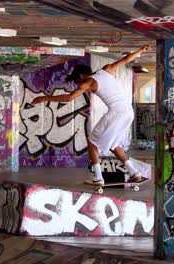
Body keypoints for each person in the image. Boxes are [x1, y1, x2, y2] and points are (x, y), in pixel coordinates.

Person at [32, 44, 152, 186]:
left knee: (92, 143)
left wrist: (45, 98)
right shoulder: (107, 70)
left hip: (116, 113)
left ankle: (98, 178)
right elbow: (125, 60)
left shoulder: (88, 82)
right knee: (114, 144)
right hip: (128, 112)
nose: (79, 85)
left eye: (78, 81)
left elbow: (69, 98)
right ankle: (134, 173)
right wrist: (140, 50)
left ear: (82, 76)